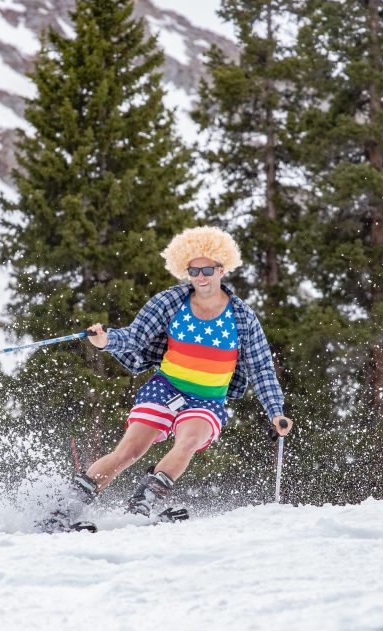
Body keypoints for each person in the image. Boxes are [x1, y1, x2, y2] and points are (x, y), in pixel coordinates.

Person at [41, 226, 293, 531]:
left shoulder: (241, 316)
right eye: (193, 270)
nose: (200, 276)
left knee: (187, 442)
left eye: (206, 269)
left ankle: (141, 504)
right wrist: (107, 341)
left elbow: (261, 368)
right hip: (165, 389)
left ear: (221, 269)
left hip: (207, 400)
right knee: (129, 450)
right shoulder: (171, 301)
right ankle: (64, 509)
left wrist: (276, 411)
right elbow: (136, 336)